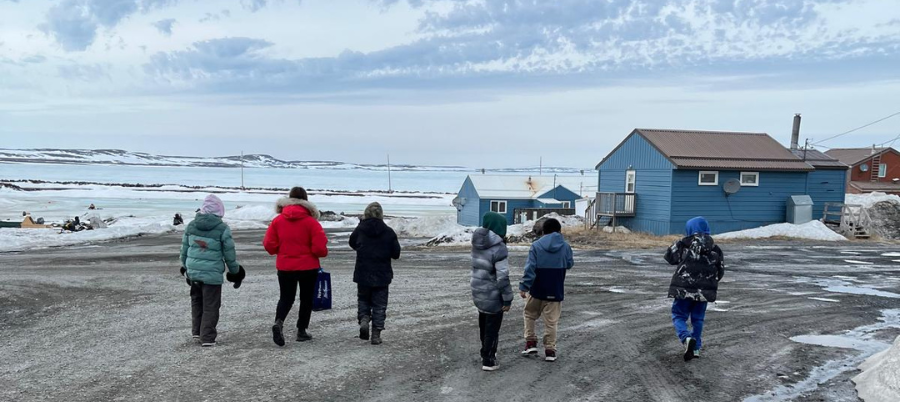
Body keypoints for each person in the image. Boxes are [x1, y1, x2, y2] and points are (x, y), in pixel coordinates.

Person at [263, 186, 329, 347]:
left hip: (285, 266)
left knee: (286, 298)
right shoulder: (311, 223)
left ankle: (279, 322)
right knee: (306, 299)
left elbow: (269, 245)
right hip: (308, 267)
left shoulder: (277, 221)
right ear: (306, 201)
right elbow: (320, 249)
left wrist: (282, 250)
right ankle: (301, 331)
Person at [179, 194, 243, 347]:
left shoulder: (191, 225)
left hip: (193, 272)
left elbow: (184, 250)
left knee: (197, 301)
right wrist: (235, 272)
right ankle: (207, 337)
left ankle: (197, 331)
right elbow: (229, 254)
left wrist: (186, 267)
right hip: (212, 274)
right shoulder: (222, 228)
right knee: (211, 305)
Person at [664, 216, 725, 361]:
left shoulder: (684, 244)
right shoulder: (715, 249)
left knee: (679, 315)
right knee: (698, 319)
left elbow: (669, 257)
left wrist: (678, 243)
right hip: (704, 292)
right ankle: (696, 348)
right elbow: (720, 272)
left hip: (683, 290)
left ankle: (686, 338)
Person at [518, 218, 574, 362]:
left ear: (543, 231)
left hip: (537, 288)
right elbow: (569, 264)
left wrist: (524, 286)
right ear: (559, 230)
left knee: (530, 314)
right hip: (555, 288)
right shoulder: (566, 247)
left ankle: (530, 343)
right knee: (551, 321)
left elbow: (530, 268)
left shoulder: (536, 246)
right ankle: (550, 350)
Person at [349, 202, 401, 345]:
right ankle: (376, 334)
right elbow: (396, 253)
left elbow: (352, 243)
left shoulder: (360, 229)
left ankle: (364, 318)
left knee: (363, 299)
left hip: (363, 271)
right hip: (382, 273)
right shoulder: (389, 231)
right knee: (380, 304)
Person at [471, 212, 513, 371]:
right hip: (493, 294)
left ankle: (484, 352)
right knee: (493, 327)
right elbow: (502, 277)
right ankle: (488, 359)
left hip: (478, 289)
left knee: (484, 323)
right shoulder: (499, 248)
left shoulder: (477, 243)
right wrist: (508, 298)